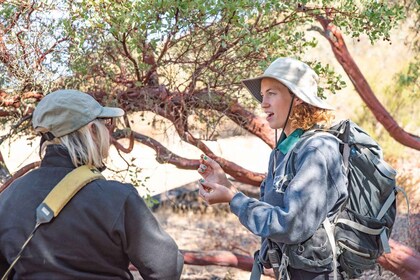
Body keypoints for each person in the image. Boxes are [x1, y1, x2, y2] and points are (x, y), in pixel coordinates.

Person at [0, 89, 184, 279]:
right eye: (105, 123)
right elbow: (167, 269)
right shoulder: (117, 198)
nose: (108, 131)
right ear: (92, 131)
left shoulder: (8, 197)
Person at [197, 58, 348, 279]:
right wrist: (226, 185)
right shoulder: (282, 151)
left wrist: (233, 199)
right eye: (263, 94)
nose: (263, 103)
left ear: (296, 99)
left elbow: (292, 225)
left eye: (272, 93)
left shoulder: (317, 150)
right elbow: (274, 213)